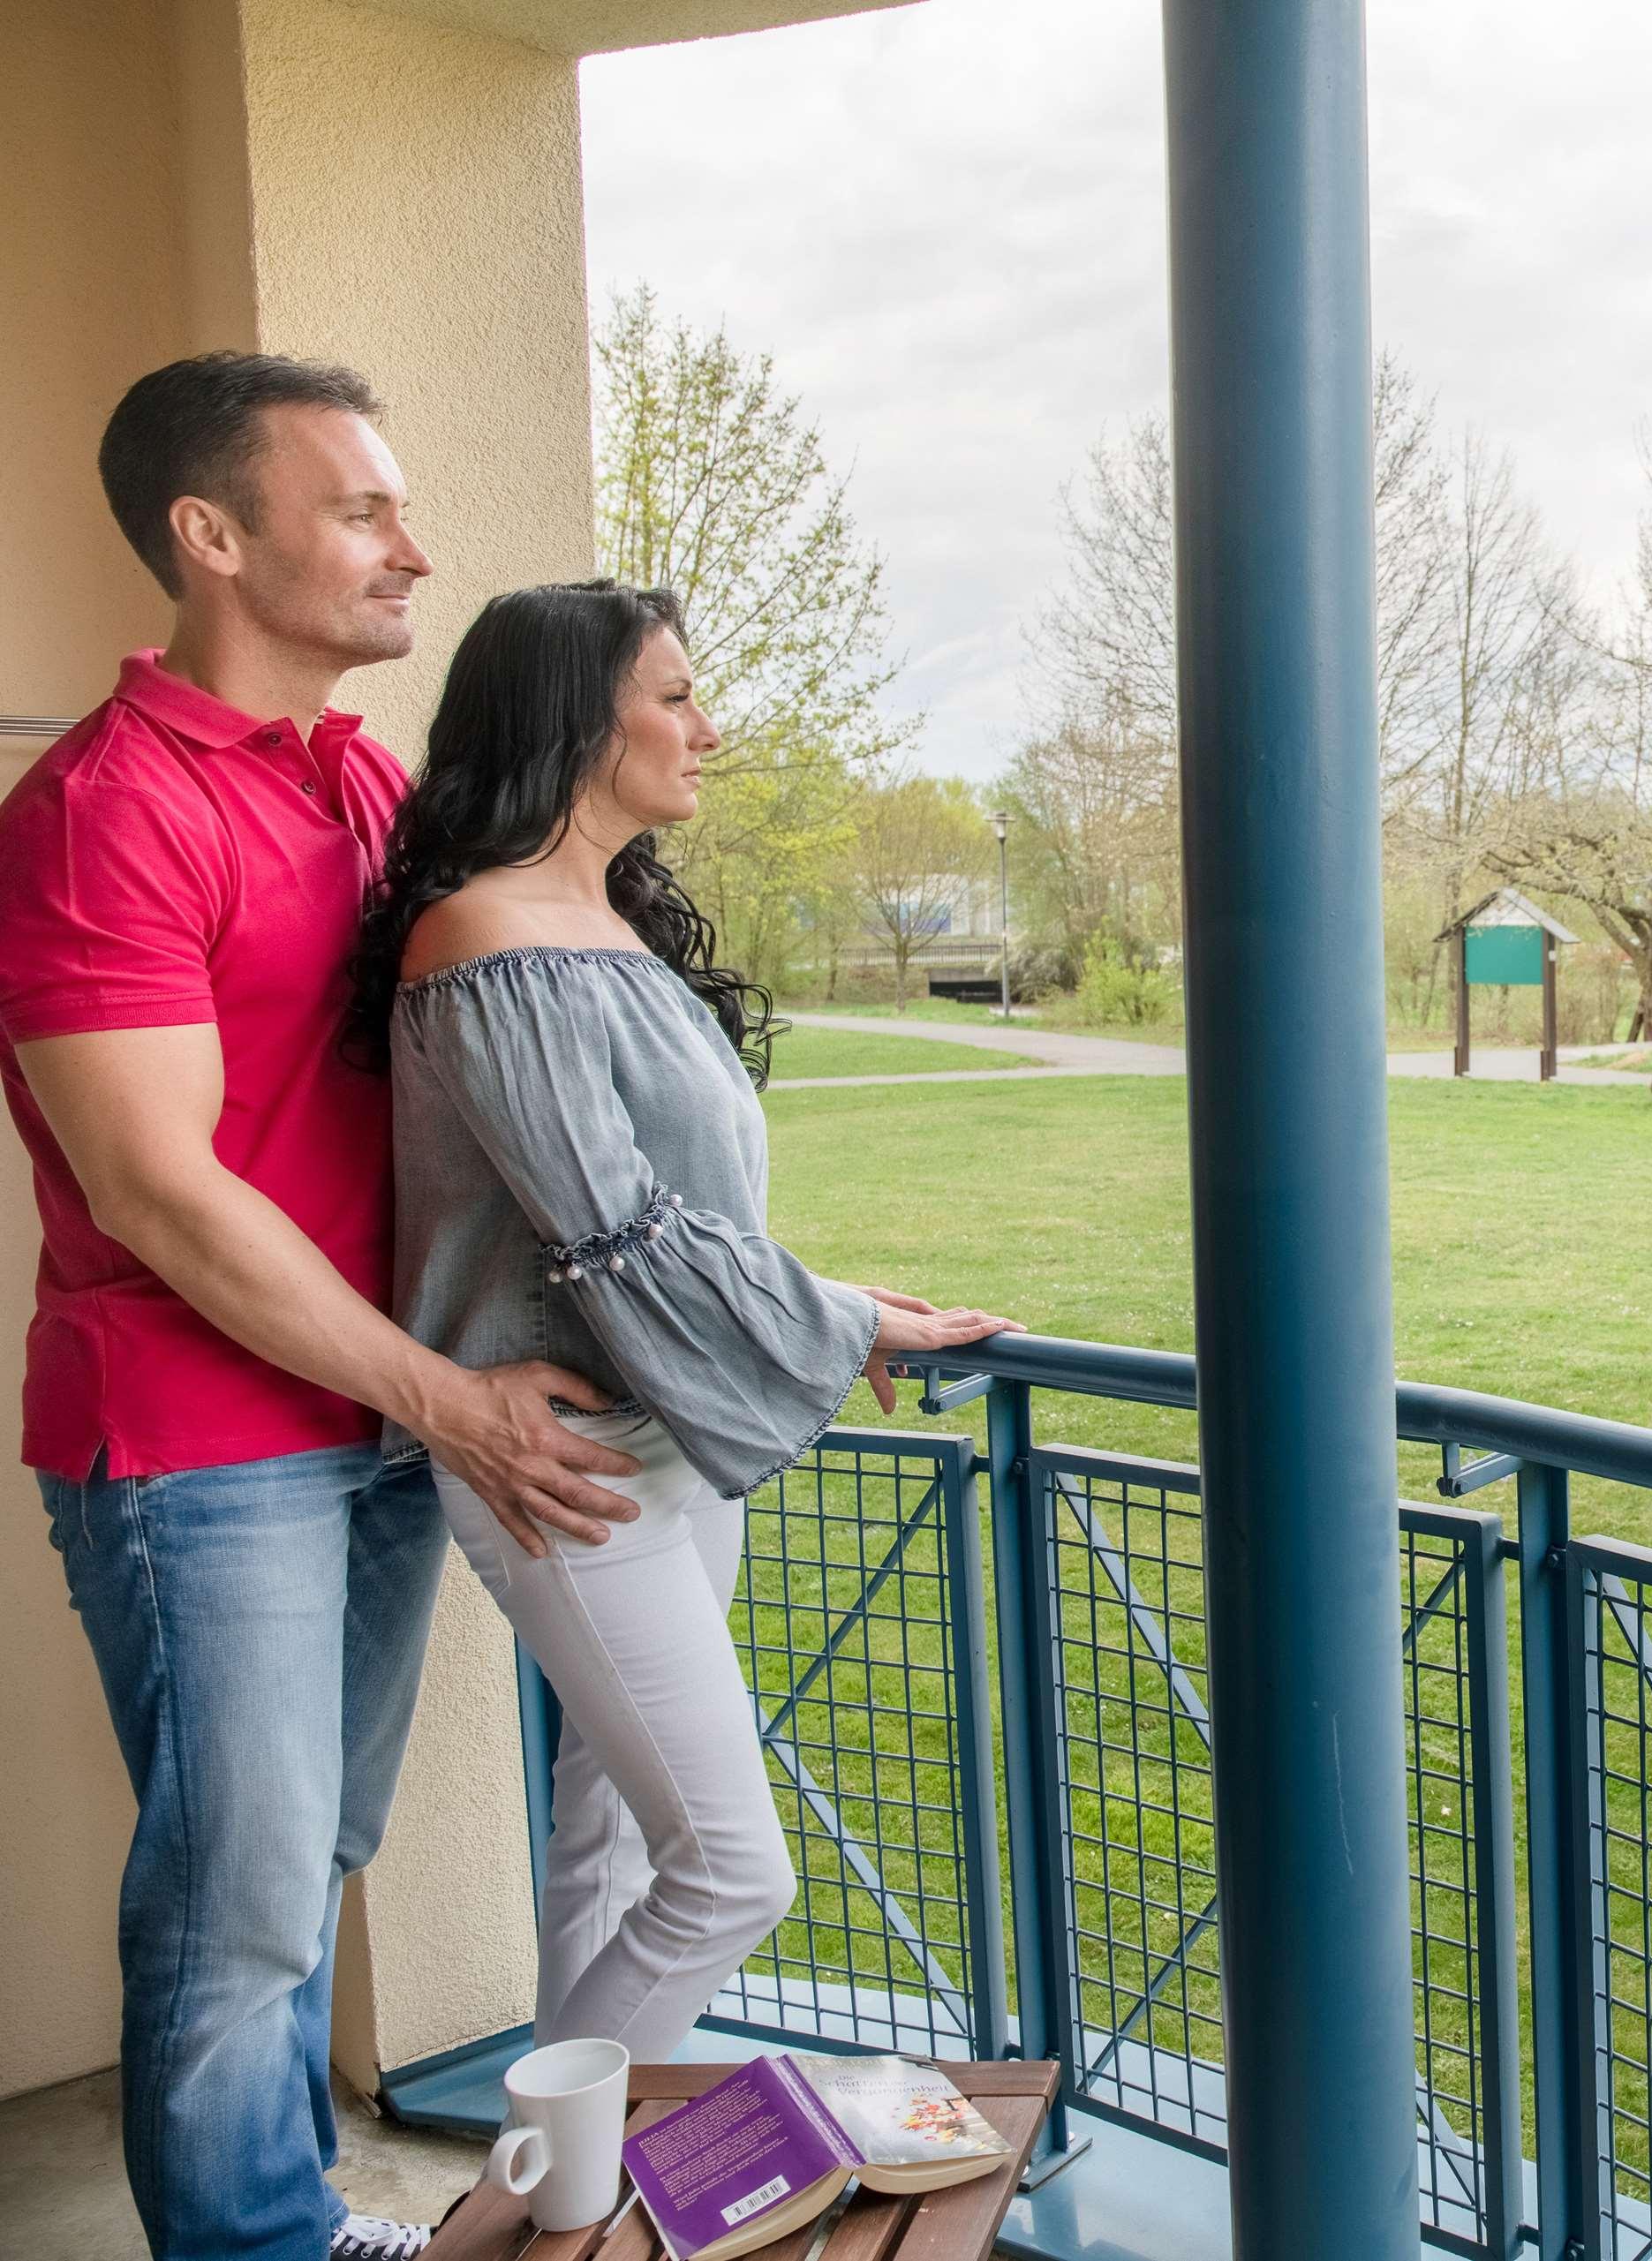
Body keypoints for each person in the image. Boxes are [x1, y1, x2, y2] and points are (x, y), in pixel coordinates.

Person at [0, 354, 657, 2261]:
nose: (411, 546)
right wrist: (452, 1406)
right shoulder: (102, 813)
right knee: (240, 1901)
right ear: (212, 538)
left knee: (306, 1867)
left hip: (370, 1418)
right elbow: (155, 1185)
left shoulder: (364, 786)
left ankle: (274, 2216)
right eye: (361, 508)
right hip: (202, 1445)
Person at [353, 578, 1018, 2069]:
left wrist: (844, 1300)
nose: (705, 729)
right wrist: (840, 1321)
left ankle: (580, 2209)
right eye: (673, 696)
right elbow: (615, 1228)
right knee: (733, 1867)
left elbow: (669, 1208)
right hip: (563, 1461)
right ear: (579, 722)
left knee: (610, 1834)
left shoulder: (602, 919)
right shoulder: (484, 937)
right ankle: (526, 2188)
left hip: (658, 1437)